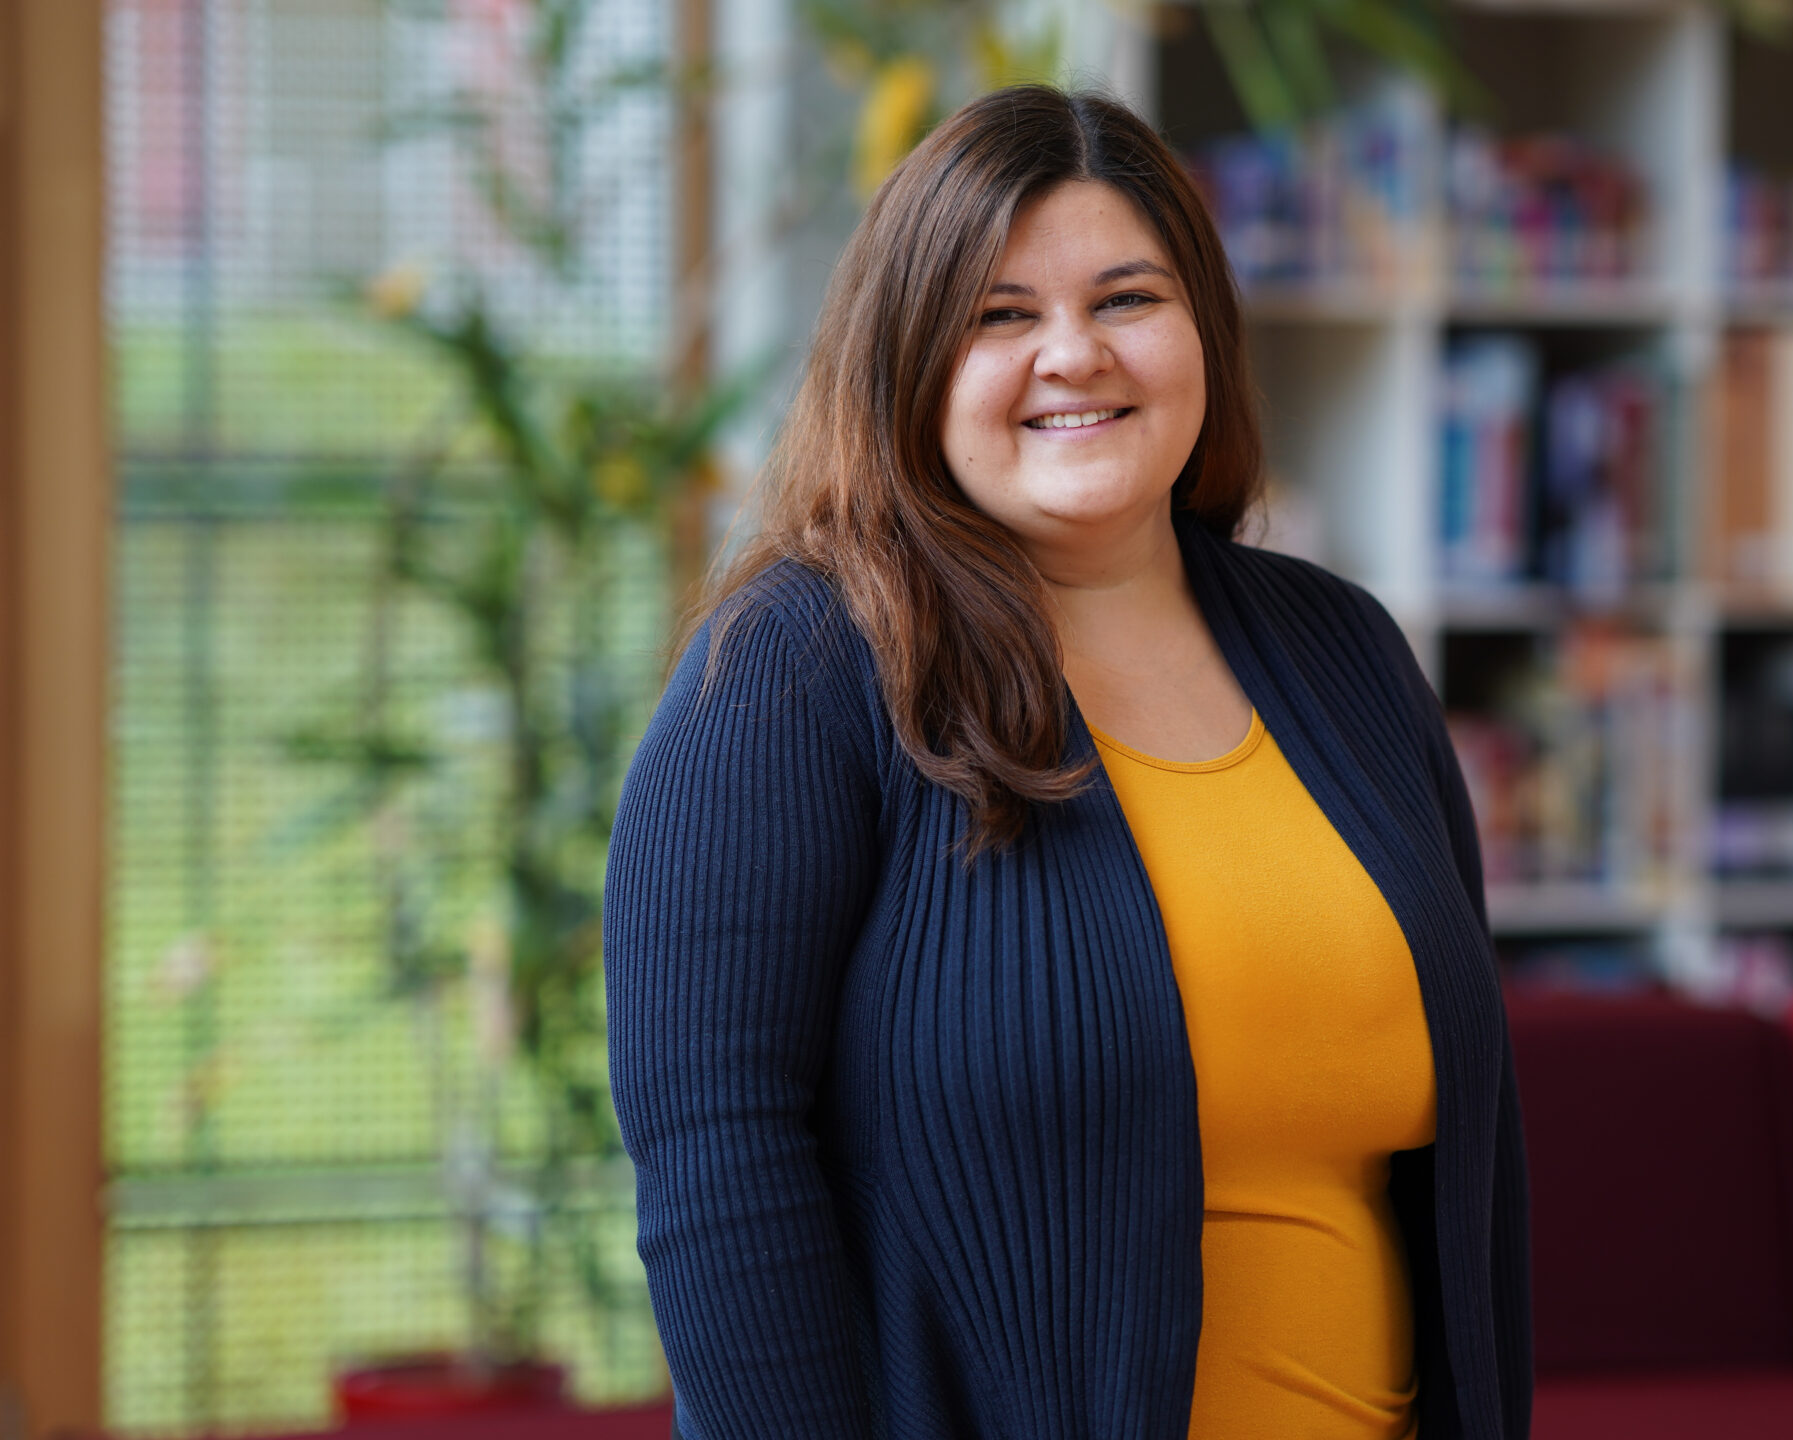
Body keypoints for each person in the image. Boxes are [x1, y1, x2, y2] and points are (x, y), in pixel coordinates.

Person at [603, 84, 1531, 1440]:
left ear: (1202, 328)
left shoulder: (1345, 654)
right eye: (1000, 315)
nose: (1072, 356)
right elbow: (715, 1167)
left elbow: (1455, 1184)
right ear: (907, 358)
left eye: (1127, 300)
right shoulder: (790, 673)